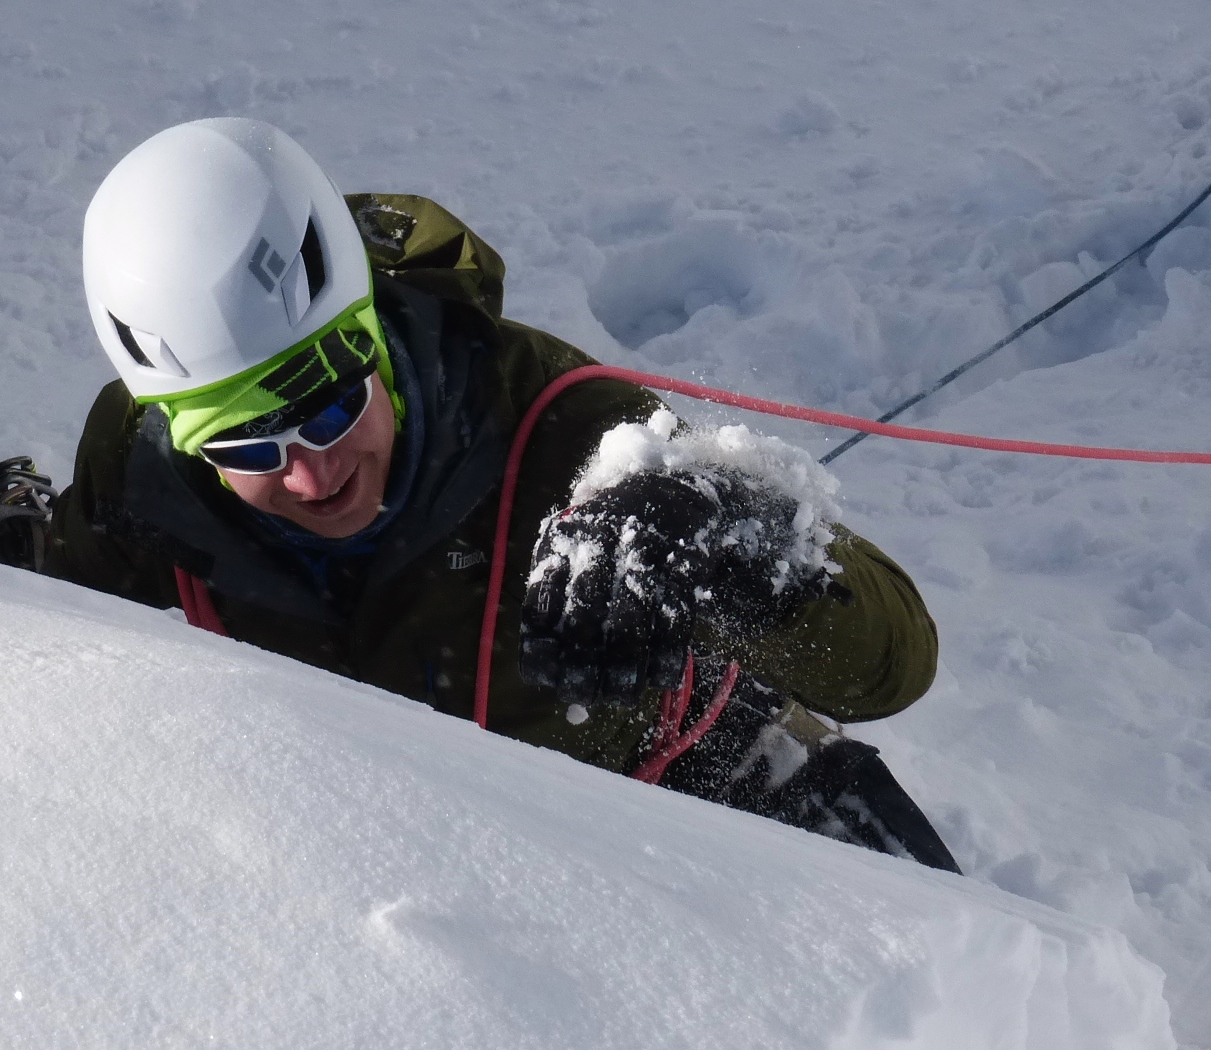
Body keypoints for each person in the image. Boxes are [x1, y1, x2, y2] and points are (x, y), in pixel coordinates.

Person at [0, 118, 958, 872]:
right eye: (245, 443)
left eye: (330, 408)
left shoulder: (566, 433)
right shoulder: (144, 477)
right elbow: (74, 609)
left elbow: (893, 667)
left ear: (370, 336)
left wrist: (729, 536)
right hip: (417, 884)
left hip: (696, 806)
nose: (307, 471)